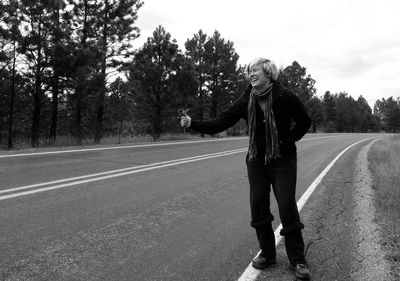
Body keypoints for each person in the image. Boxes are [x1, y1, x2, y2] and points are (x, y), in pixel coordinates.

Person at [180, 57, 311, 280]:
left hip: (283, 160)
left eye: (255, 71)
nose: (250, 74)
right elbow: (221, 122)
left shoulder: (285, 96)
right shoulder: (246, 99)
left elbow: (304, 121)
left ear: (268, 74)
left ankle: (297, 259)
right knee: (258, 205)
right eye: (249, 71)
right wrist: (193, 123)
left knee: (287, 205)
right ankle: (268, 254)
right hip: (257, 161)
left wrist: (287, 141)